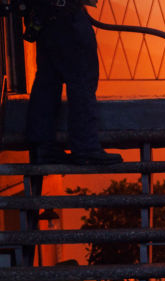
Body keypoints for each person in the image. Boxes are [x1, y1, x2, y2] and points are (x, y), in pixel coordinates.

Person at [25, 0, 123, 165]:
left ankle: (43, 149)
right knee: (82, 81)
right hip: (67, 16)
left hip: (44, 17)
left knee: (47, 83)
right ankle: (86, 148)